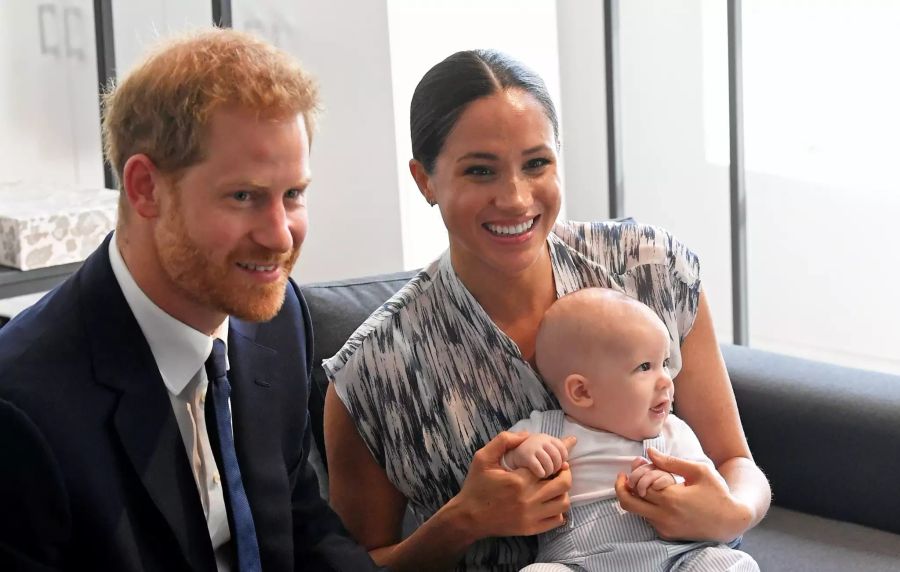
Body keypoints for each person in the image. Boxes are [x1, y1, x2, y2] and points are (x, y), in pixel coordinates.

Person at [323, 49, 771, 571]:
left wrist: (730, 513)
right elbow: (357, 565)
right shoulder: (373, 372)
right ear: (425, 180)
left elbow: (735, 462)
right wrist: (465, 519)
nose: (515, 199)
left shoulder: (650, 268)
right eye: (480, 171)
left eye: (536, 163)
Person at [0, 29, 381, 572]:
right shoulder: (21, 410)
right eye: (244, 196)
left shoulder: (276, 320)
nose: (280, 236)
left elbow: (300, 525)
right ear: (145, 189)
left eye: (293, 194)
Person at [502, 288, 759, 571]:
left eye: (665, 363)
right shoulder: (544, 431)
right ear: (582, 391)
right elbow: (497, 472)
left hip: (675, 559)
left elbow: (708, 493)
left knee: (728, 564)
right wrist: (522, 455)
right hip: (580, 562)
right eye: (645, 367)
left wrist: (672, 486)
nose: (666, 380)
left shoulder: (674, 433)